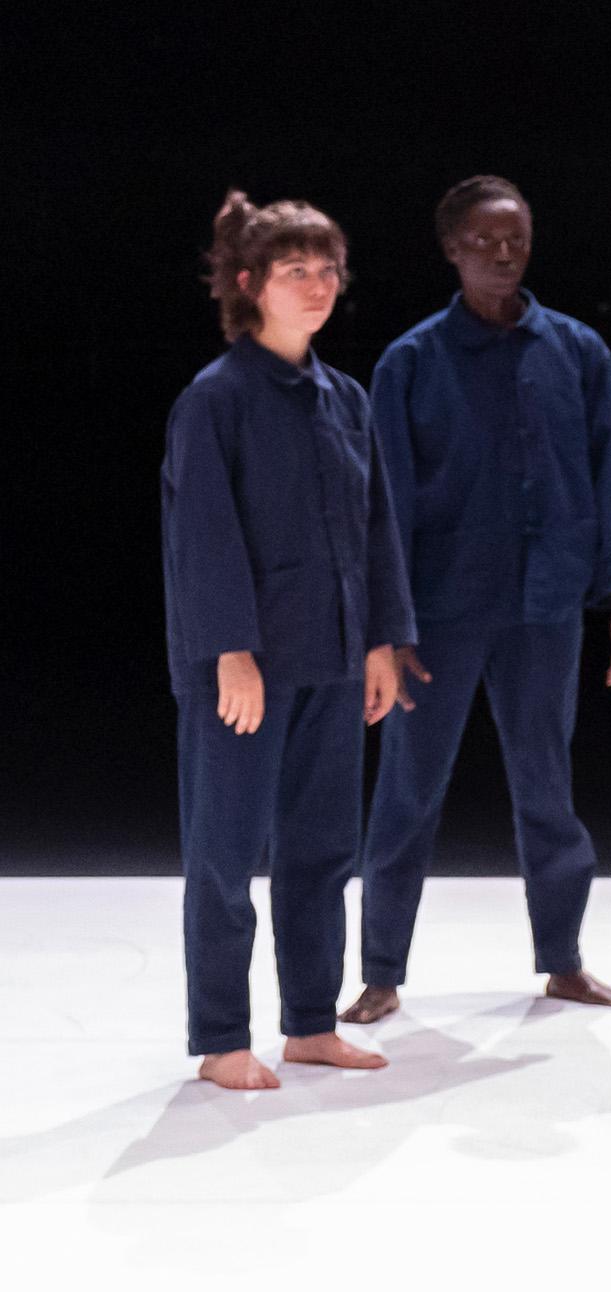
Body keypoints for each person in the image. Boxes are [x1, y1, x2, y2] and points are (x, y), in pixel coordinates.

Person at [345, 176, 611, 1024]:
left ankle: (563, 960)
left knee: (547, 788)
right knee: (408, 791)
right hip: (437, 613)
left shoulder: (578, 351)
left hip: (545, 605)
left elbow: (606, 479)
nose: (504, 253)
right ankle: (380, 969)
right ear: (451, 249)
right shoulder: (409, 362)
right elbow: (387, 505)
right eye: (484, 240)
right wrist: (389, 626)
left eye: (516, 237)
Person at [163, 194, 413, 1090]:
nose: (318, 285)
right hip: (246, 670)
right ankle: (222, 1037)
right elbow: (205, 535)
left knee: (320, 850)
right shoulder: (215, 401)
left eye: (327, 268)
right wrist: (231, 648)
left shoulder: (344, 397)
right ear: (248, 284)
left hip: (334, 661)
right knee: (226, 854)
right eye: (295, 270)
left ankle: (309, 1022)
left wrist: (382, 642)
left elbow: (375, 524)